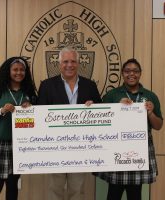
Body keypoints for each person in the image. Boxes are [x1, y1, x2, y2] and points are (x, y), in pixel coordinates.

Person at [38, 47, 102, 200]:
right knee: (55, 189)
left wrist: (93, 108)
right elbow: (39, 115)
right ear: (59, 64)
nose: (69, 65)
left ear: (78, 63)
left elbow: (102, 113)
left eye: (73, 61)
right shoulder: (47, 85)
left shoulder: (90, 85)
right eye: (65, 61)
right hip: (55, 147)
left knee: (77, 190)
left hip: (80, 147)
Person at [94, 58, 163, 200]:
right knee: (113, 193)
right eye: (127, 71)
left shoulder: (150, 96)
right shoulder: (112, 95)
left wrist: (150, 113)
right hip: (117, 150)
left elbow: (158, 126)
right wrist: (116, 108)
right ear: (122, 73)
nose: (131, 74)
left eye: (135, 71)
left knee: (135, 194)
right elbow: (100, 122)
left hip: (139, 152)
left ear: (140, 74)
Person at [0, 57, 37, 200]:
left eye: (22, 70)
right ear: (8, 71)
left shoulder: (29, 92)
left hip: (19, 146)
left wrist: (32, 105)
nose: (19, 73)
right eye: (15, 69)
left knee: (12, 186)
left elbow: (39, 116)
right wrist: (1, 111)